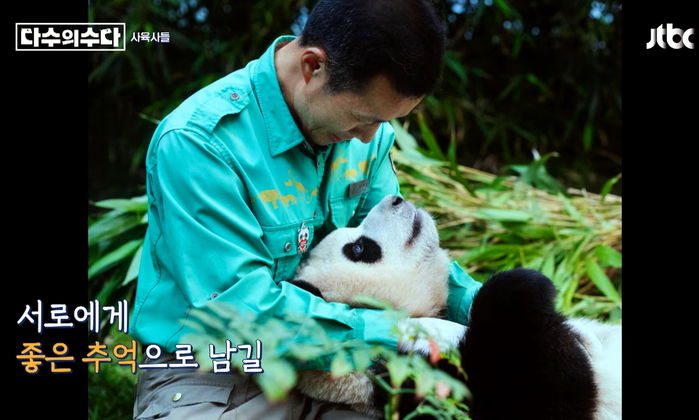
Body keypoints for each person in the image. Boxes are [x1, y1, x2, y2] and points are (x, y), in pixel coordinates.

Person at [130, 0, 482, 418]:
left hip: (345, 359)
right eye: (362, 119)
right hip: (215, 372)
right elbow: (239, 316)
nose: (370, 139)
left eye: (386, 122)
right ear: (313, 67)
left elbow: (406, 265)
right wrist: (404, 334)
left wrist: (489, 312)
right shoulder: (200, 144)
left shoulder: (365, 135)